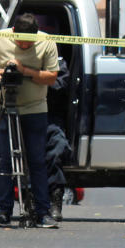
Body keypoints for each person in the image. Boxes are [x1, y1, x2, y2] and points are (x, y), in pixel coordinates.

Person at [0, 13, 59, 228]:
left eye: (29, 42)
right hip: (6, 108)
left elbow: (52, 77)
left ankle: (42, 212)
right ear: (13, 32)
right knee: (6, 162)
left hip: (35, 109)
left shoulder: (46, 42)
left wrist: (23, 70)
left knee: (37, 160)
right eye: (20, 41)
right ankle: (4, 211)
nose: (24, 45)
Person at [45, 54, 71, 221]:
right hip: (24, 113)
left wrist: (36, 75)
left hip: (50, 115)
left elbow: (59, 86)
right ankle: (31, 201)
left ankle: (55, 200)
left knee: (56, 148)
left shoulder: (58, 62)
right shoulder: (19, 58)